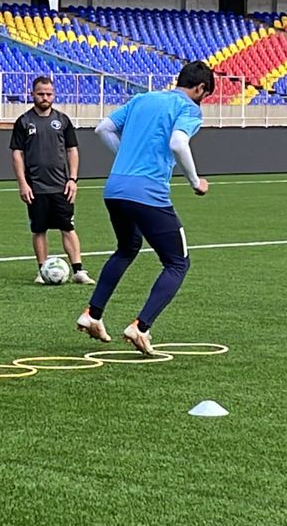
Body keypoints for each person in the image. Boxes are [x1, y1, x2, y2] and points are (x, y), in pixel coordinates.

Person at [76, 61, 213, 355]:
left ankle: (92, 314)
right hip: (148, 192)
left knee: (127, 248)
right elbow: (178, 143)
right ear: (201, 88)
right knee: (177, 263)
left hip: (115, 188)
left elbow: (103, 129)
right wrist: (195, 181)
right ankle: (141, 327)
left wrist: (126, 157)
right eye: (205, 96)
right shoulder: (188, 108)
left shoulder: (143, 98)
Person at [10, 76, 94, 285]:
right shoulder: (24, 121)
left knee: (68, 227)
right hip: (35, 186)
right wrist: (22, 183)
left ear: (54, 95)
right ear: (32, 94)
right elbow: (17, 153)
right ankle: (42, 270)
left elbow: (72, 150)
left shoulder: (63, 120)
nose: (45, 98)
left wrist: (72, 179)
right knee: (39, 229)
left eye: (49, 94)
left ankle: (78, 270)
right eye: (41, 94)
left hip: (61, 185)